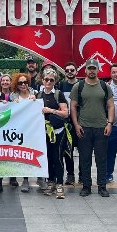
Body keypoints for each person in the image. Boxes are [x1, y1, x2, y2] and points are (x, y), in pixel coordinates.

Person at [70, 59, 114, 197]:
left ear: (98, 70)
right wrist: (76, 125)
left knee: (101, 159)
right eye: (89, 68)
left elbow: (111, 106)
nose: (91, 71)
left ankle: (102, 186)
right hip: (84, 128)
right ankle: (86, 186)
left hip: (101, 127)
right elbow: (73, 106)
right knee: (85, 159)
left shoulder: (105, 86)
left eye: (94, 68)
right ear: (85, 70)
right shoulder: (79, 86)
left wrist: (110, 123)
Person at [39, 69, 69, 199]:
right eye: (46, 79)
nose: (49, 82)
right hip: (43, 132)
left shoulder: (58, 94)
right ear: (42, 80)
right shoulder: (39, 95)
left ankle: (59, 184)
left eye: (51, 80)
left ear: (55, 81)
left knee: (57, 157)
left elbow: (65, 113)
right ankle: (50, 182)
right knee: (48, 158)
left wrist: (51, 110)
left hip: (58, 131)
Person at [10, 73, 38, 192]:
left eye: (25, 82)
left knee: (31, 154)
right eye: (20, 83)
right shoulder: (13, 96)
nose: (23, 85)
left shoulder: (35, 94)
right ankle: (20, 178)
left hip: (32, 129)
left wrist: (36, 100)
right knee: (20, 154)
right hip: (18, 130)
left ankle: (33, 178)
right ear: (17, 84)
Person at [59, 62, 79, 186]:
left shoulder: (81, 85)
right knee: (68, 150)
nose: (70, 72)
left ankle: (83, 175)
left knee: (83, 150)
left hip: (80, 121)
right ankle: (70, 175)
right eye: (67, 70)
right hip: (67, 123)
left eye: (72, 70)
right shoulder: (61, 85)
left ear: (76, 71)